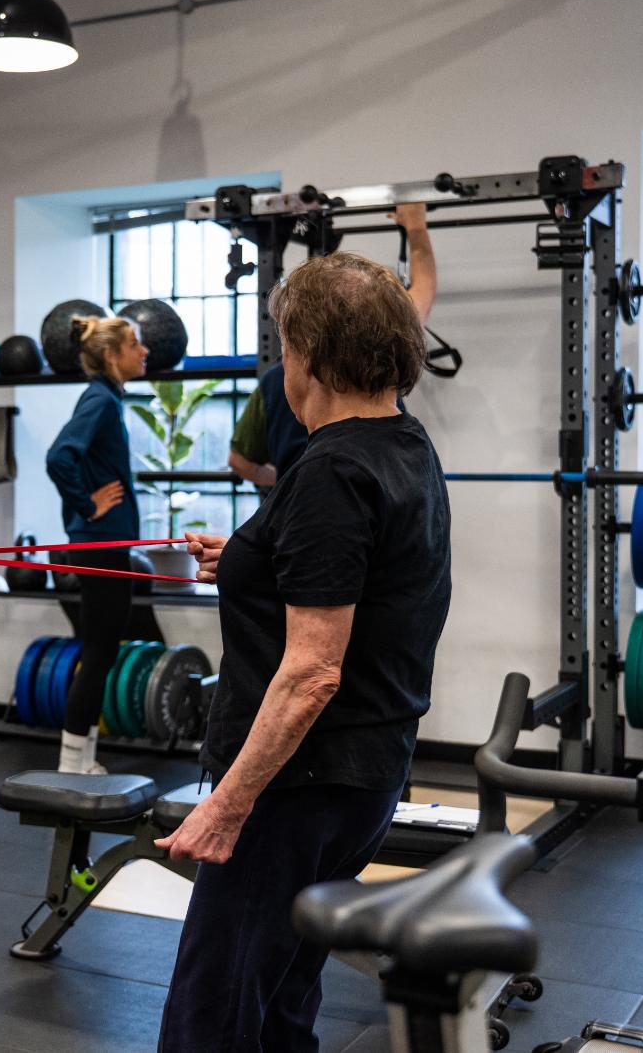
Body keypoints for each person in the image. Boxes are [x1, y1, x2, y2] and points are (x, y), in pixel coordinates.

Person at [155, 251, 452, 1051]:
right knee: (283, 990)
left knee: (212, 1012)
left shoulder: (331, 468)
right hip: (366, 770)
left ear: (310, 357)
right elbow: (355, 572)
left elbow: (314, 669)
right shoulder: (404, 446)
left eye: (286, 346)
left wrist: (227, 802)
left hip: (298, 784)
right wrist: (251, 555)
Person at [227, 202, 438, 488]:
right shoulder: (412, 438)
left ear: (304, 350)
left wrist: (288, 485)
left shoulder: (328, 468)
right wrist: (415, 225)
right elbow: (423, 290)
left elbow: (240, 461)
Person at [44, 315, 165, 774]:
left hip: (102, 543)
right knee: (98, 652)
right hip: (98, 543)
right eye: (136, 343)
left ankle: (81, 759)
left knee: (101, 649)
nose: (145, 350)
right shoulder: (99, 398)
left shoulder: (107, 399)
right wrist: (86, 504)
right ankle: (73, 762)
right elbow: (60, 456)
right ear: (112, 355)